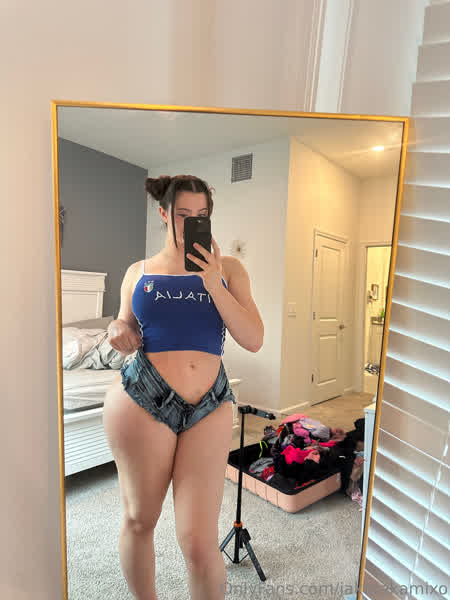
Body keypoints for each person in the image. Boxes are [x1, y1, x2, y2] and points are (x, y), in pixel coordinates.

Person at [103, 174, 264, 600]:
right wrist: (117, 328)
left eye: (202, 215)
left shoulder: (230, 269)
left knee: (198, 540)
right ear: (164, 213)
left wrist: (213, 282)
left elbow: (253, 338)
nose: (193, 222)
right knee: (140, 519)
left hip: (210, 404)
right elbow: (123, 323)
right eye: (183, 215)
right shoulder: (138, 271)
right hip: (143, 397)